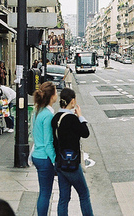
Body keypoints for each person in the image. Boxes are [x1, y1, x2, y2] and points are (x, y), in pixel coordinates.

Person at [52, 88, 94, 216]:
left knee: (64, 198)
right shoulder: (72, 118)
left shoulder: (55, 118)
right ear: (73, 101)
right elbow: (85, 133)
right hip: (72, 164)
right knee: (84, 194)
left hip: (60, 162)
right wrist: (80, 116)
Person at [31, 82, 57, 216]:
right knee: (45, 193)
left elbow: (33, 133)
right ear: (52, 96)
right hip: (44, 158)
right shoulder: (48, 115)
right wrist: (55, 160)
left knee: (43, 191)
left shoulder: (36, 111)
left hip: (36, 155)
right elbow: (48, 142)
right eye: (56, 92)